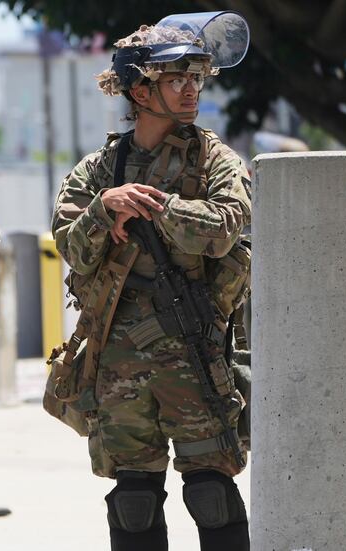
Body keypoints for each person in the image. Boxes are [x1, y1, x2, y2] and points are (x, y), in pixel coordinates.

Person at [51, 12, 253, 551]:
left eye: (197, 79)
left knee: (211, 493)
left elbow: (225, 230)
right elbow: (69, 244)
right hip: (116, 356)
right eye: (176, 79)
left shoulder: (215, 160)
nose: (191, 91)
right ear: (139, 90)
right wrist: (104, 208)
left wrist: (159, 206)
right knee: (134, 501)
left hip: (193, 350)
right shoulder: (99, 170)